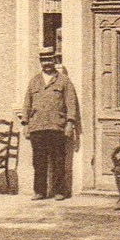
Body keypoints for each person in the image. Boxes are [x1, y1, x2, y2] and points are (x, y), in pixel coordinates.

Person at [21, 47, 79, 201]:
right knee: (38, 161)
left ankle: (60, 191)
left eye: (49, 59)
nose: (46, 63)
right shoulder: (34, 81)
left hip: (57, 126)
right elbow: (27, 104)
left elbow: (71, 104)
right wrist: (26, 125)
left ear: (55, 61)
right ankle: (39, 191)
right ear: (40, 62)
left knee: (59, 160)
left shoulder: (64, 81)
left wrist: (70, 124)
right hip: (37, 127)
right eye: (43, 60)